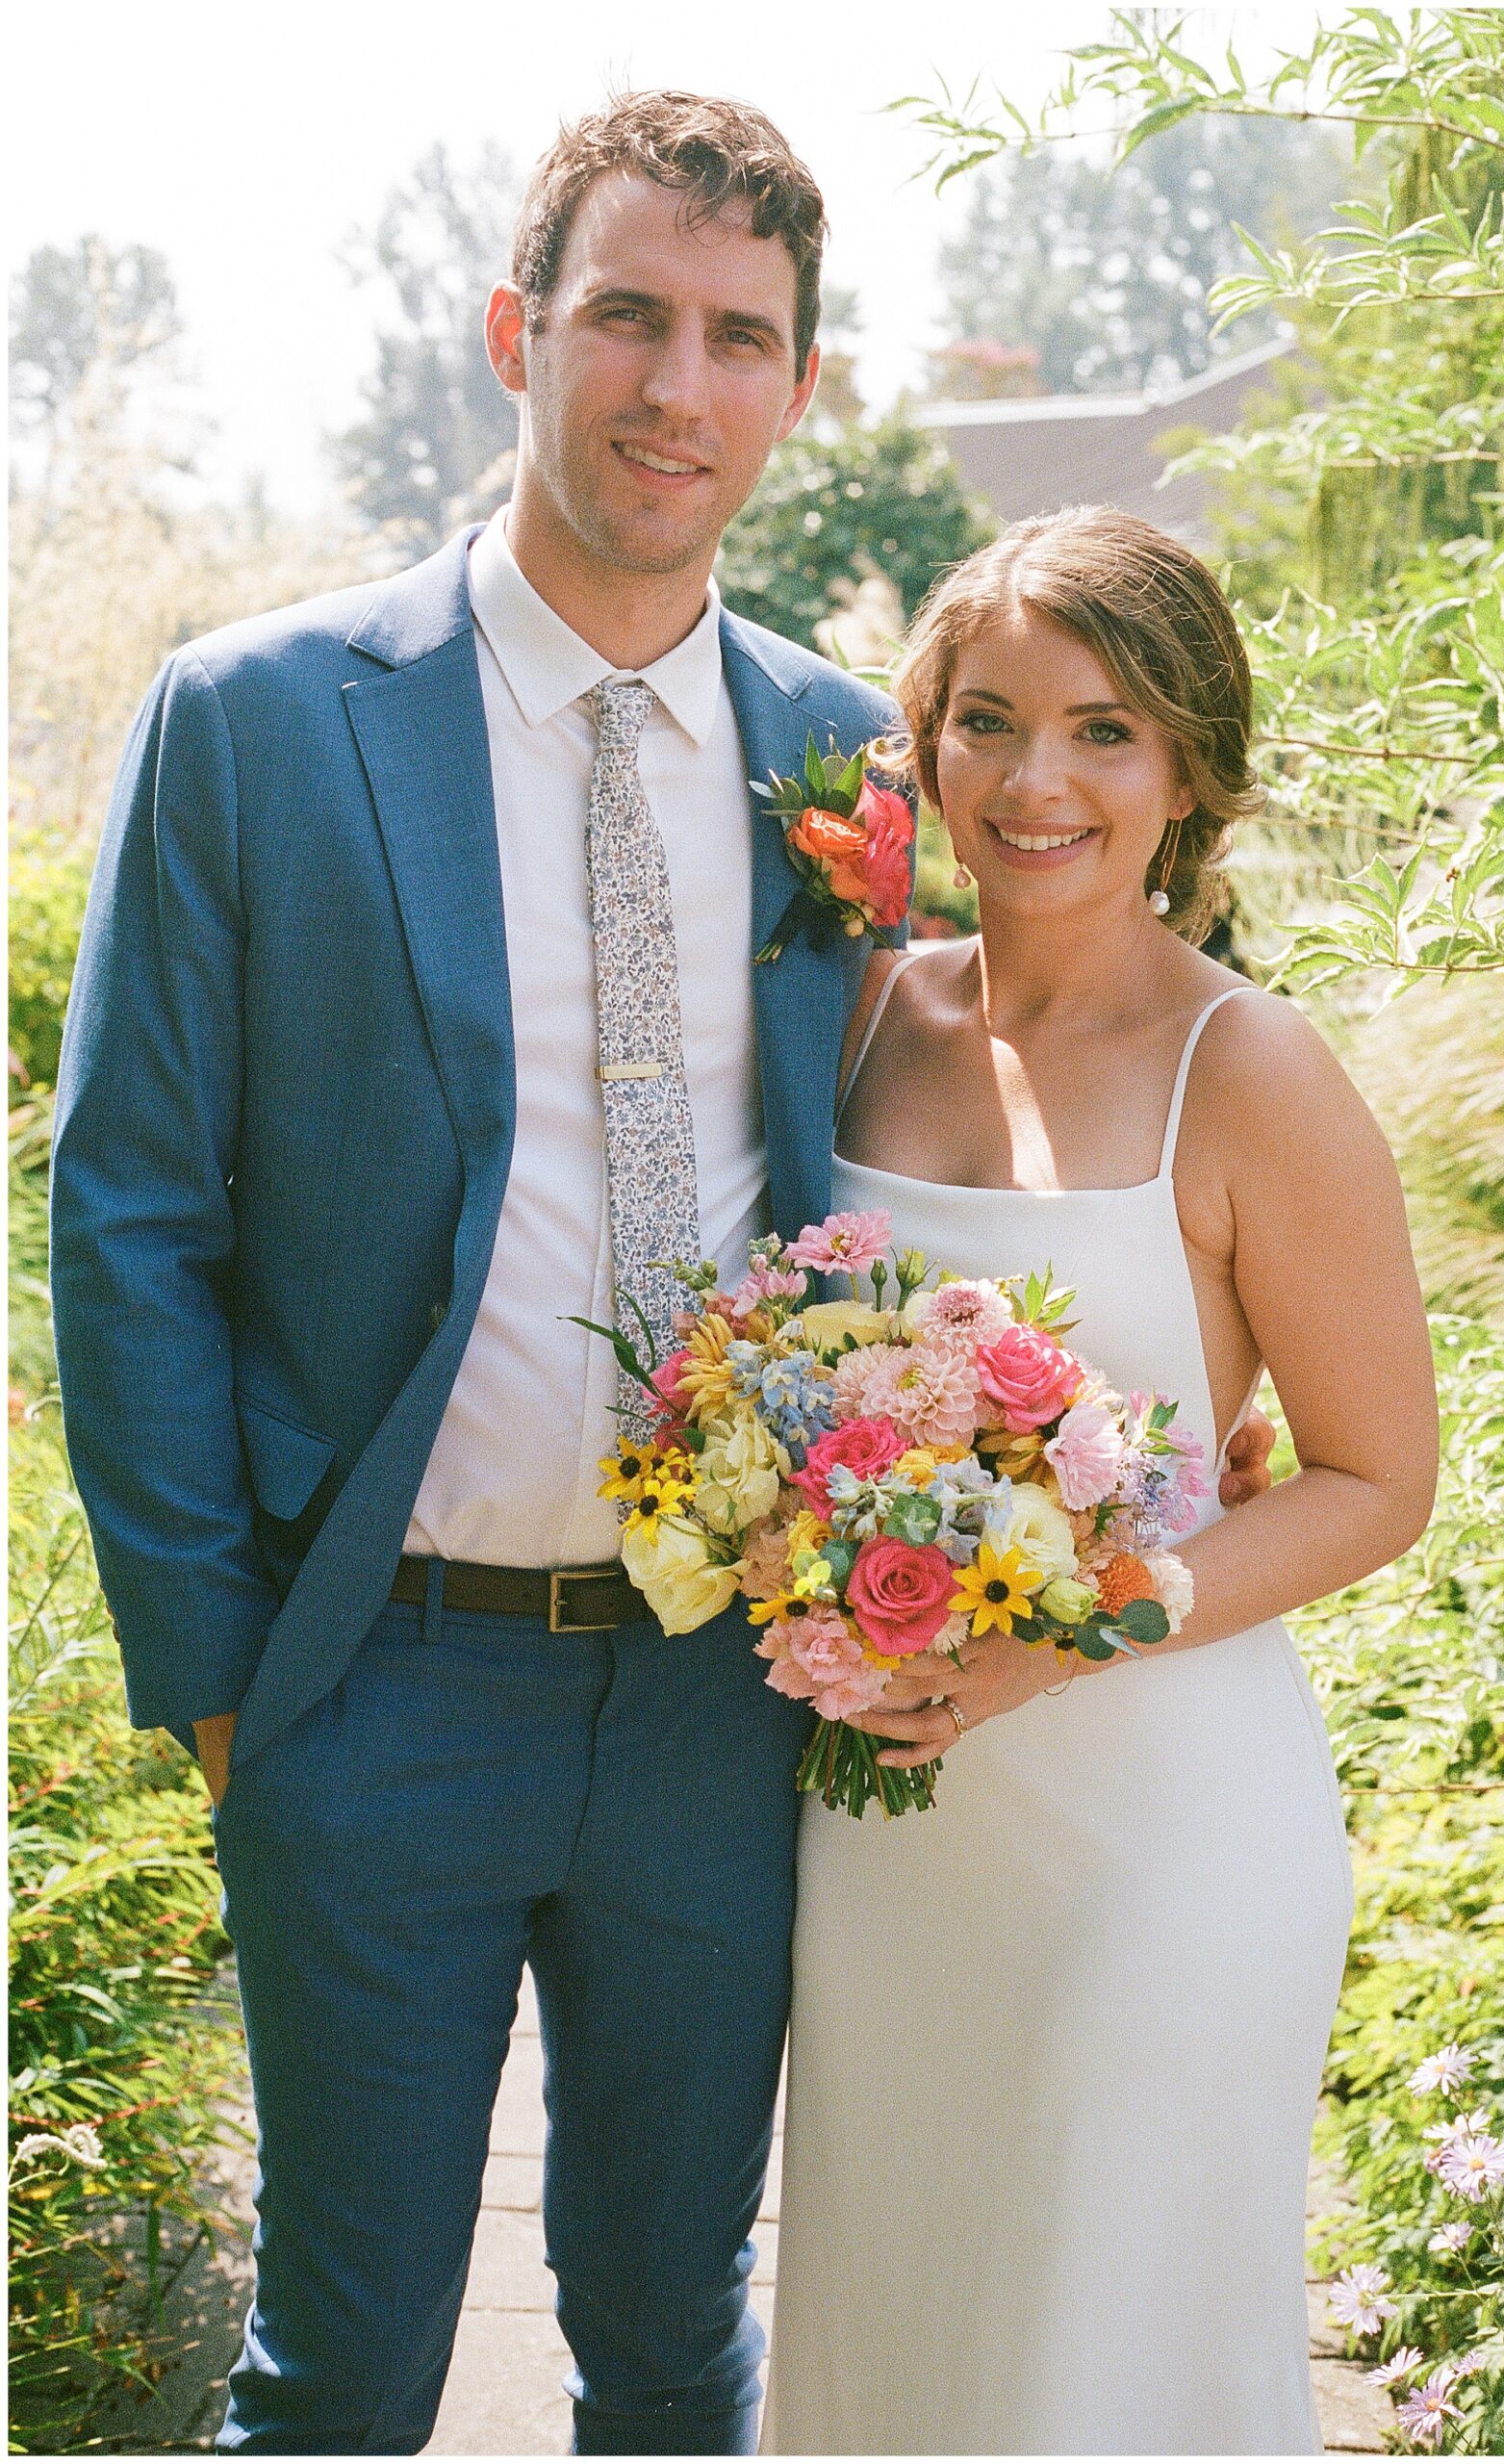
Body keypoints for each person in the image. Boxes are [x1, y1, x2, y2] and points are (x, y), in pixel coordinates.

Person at [50, 90, 1277, 2455]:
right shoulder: (256, 723)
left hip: (727, 1709)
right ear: (522, 328)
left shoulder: (841, 754)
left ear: (797, 390)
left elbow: (951, 1128)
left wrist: (1147, 1382)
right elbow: (129, 1223)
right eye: (627, 314)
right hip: (370, 1691)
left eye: (739, 337)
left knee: (673, 2342)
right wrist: (222, 1688)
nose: (675, 385)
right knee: (341, 2370)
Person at [761, 508, 1440, 2456]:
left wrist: (1074, 1629)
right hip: (888, 1843)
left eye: (1104, 729)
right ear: (925, 747)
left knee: (1101, 2364)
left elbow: (1380, 1475)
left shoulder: (1258, 1070)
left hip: (1162, 1839)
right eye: (986, 720)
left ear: (1189, 770)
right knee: (907, 2351)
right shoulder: (857, 1017)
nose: (1035, 779)